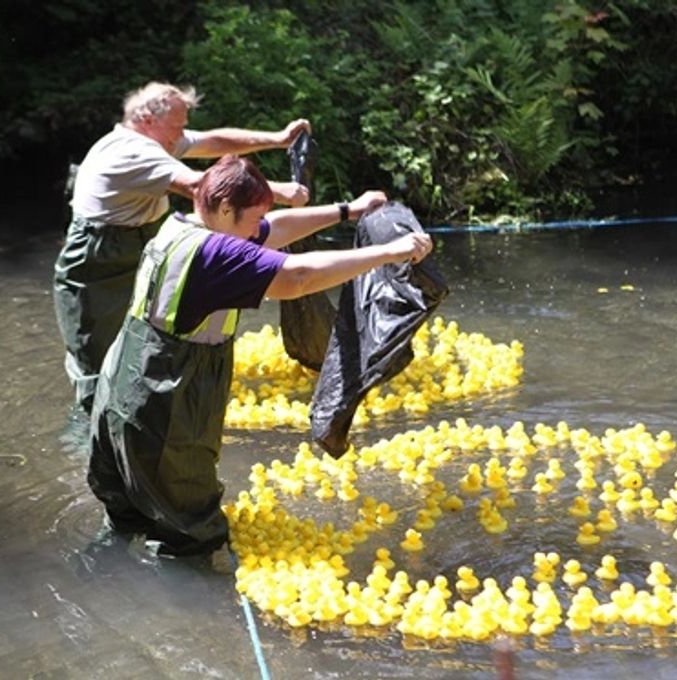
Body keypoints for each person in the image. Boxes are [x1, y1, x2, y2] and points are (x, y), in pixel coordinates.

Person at [87, 154, 433, 557]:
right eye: (252, 218)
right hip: (164, 401)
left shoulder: (179, 228)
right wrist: (388, 253)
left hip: (121, 392)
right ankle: (181, 611)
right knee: (192, 532)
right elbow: (297, 276)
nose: (258, 229)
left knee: (129, 512)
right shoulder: (216, 256)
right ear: (225, 209)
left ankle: (107, 577)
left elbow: (275, 229)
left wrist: (347, 211)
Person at [54, 81, 311, 411]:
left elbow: (215, 141)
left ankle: (139, 421)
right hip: (97, 261)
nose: (182, 134)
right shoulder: (131, 151)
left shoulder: (158, 139)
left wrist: (276, 139)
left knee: (139, 347)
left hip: (138, 245)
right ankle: (90, 448)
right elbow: (198, 186)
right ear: (148, 118)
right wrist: (276, 192)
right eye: (177, 126)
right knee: (95, 363)